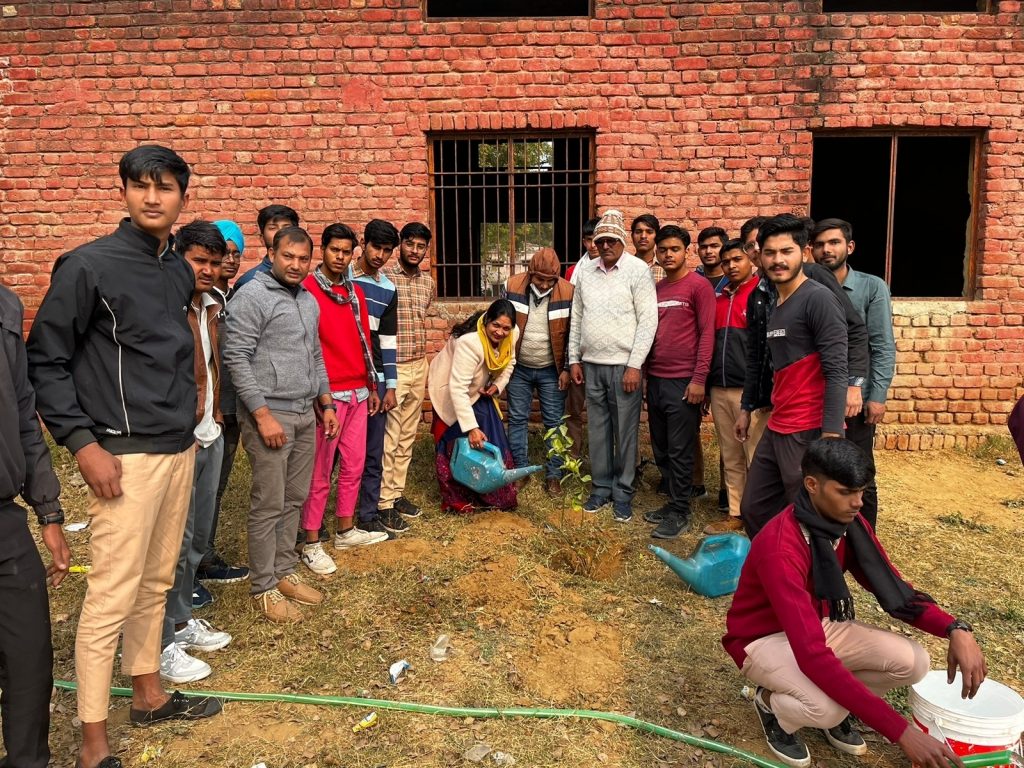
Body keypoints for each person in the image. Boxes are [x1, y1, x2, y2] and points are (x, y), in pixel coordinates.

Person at [27, 145, 221, 768]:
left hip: (177, 448)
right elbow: (45, 359)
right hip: (122, 457)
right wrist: (82, 443)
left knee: (156, 581)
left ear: (183, 198)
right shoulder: (87, 266)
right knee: (111, 594)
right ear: (124, 192)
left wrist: (192, 424)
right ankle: (93, 743)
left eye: (165, 188)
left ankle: (148, 695)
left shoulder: (177, 271)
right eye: (141, 186)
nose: (153, 198)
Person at [724, 438, 986, 768]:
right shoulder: (781, 547)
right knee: (826, 708)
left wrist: (955, 628)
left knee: (914, 661)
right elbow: (812, 655)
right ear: (812, 485)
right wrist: (901, 731)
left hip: (816, 624)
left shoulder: (848, 526)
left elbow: (895, 590)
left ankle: (837, 702)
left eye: (861, 491)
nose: (858, 502)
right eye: (846, 492)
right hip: (762, 639)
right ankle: (772, 707)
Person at [224, 225, 338, 623]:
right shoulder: (252, 295)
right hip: (270, 414)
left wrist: (326, 403)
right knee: (269, 501)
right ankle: (263, 587)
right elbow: (236, 357)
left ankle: (284, 570)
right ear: (271, 254)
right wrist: (262, 415)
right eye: (288, 256)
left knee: (294, 497)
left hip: (305, 412)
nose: (295, 264)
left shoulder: (307, 299)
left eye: (303, 258)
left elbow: (314, 356)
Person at [739, 214, 848, 538]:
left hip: (807, 428)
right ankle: (776, 560)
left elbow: (837, 370)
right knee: (754, 508)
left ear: (805, 252)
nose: (778, 260)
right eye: (770, 252)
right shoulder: (778, 303)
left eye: (786, 251)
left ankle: (814, 569)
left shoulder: (818, 298)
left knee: (808, 516)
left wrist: (830, 436)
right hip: (778, 423)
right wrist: (747, 407)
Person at [160, 220, 233, 684]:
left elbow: (212, 366)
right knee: (170, 543)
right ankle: (160, 640)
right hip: (175, 439)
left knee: (196, 538)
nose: (207, 269)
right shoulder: (165, 306)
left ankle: (182, 620)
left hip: (210, 431)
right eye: (198, 261)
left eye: (214, 262)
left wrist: (216, 419)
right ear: (178, 257)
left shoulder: (213, 305)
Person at [0, 284, 70, 768]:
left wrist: (48, 511)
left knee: (29, 658)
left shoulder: (5, 307)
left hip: (5, 520)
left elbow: (24, 414)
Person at [299, 223, 387, 577]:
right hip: (328, 395)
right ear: (322, 249)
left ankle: (346, 529)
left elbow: (365, 340)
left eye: (346, 251)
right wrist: (320, 399)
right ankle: (311, 541)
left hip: (359, 391)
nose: (340, 257)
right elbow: (308, 347)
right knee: (321, 471)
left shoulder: (355, 293)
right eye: (334, 250)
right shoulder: (307, 291)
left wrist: (372, 385)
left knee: (354, 464)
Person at [568, 209, 658, 521]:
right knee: (598, 430)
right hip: (591, 365)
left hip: (624, 368)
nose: (605, 246)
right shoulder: (586, 272)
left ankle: (623, 492)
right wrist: (573, 358)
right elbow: (577, 318)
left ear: (622, 241)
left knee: (625, 432)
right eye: (600, 241)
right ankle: (601, 488)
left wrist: (635, 365)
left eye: (611, 241)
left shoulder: (637, 271)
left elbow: (648, 320)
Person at [812, 218, 895, 529]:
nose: (826, 250)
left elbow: (881, 345)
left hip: (854, 398)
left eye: (833, 243)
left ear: (849, 247)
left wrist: (876, 396)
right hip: (816, 394)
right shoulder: (808, 285)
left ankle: (865, 538)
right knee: (821, 468)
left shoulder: (871, 287)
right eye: (820, 244)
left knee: (858, 472)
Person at [643, 225, 716, 536]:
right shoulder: (657, 290)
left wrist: (699, 379)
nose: (668, 254)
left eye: (674, 249)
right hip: (656, 379)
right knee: (660, 445)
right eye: (663, 250)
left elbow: (707, 334)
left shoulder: (699, 287)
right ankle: (673, 501)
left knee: (680, 448)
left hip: (684, 381)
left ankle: (681, 510)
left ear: (686, 251)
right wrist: (645, 376)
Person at [195, 219, 250, 600]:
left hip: (230, 409)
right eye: (222, 254)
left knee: (215, 488)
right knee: (197, 493)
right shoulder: (198, 299)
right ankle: (191, 566)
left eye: (235, 254)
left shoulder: (232, 297)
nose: (229, 261)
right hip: (205, 412)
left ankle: (205, 556)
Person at [428, 299, 520, 513]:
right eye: (496, 325)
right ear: (486, 320)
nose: (500, 332)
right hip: (449, 390)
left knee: (491, 438)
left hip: (477, 389)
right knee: (457, 443)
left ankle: (491, 493)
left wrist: (497, 385)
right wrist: (471, 428)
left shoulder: (512, 334)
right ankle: (459, 498)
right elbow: (457, 388)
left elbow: (511, 361)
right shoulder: (469, 343)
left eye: (505, 328)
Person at [704, 239, 765, 534]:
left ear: (750, 260)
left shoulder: (761, 295)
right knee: (730, 455)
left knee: (755, 455)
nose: (730, 266)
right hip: (719, 387)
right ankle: (736, 512)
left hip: (749, 392)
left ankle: (759, 516)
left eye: (736, 259)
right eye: (726, 261)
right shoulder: (719, 300)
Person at [503, 248, 574, 497]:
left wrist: (567, 368)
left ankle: (554, 476)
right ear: (530, 273)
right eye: (539, 279)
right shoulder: (512, 286)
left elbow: (573, 334)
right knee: (517, 419)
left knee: (554, 422)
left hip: (552, 370)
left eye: (549, 280)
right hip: (519, 368)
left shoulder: (568, 291)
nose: (544, 285)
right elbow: (500, 325)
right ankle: (520, 471)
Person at [379, 222, 435, 522]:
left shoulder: (428, 283)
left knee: (408, 435)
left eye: (420, 246)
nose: (414, 251)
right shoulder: (385, 278)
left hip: (418, 364)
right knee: (390, 435)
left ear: (426, 250)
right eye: (410, 244)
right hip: (395, 366)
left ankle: (397, 493)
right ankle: (383, 501)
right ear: (400, 245)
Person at [351, 219, 403, 533]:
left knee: (374, 452)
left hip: (376, 379)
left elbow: (387, 342)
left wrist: (390, 386)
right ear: (363, 243)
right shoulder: (340, 278)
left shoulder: (388, 289)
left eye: (386, 250)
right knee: (331, 455)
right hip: (341, 378)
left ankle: (368, 516)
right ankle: (314, 521)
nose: (380, 255)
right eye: (376, 247)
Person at [565, 216, 601, 458]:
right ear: (583, 241)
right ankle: (573, 458)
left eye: (598, 240)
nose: (594, 245)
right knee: (573, 408)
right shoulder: (572, 272)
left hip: (604, 349)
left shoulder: (618, 271)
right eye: (589, 240)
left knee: (603, 410)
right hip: (578, 347)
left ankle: (603, 460)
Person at [233, 204, 300, 291]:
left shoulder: (303, 279)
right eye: (273, 228)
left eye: (286, 227)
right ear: (262, 238)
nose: (280, 232)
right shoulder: (249, 281)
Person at [695, 225, 730, 295]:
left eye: (714, 246)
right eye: (703, 247)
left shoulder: (734, 279)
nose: (708, 251)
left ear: (724, 249)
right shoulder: (692, 280)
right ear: (698, 251)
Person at [630, 213, 664, 281]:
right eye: (638, 232)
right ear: (632, 236)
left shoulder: (666, 268)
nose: (643, 236)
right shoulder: (624, 267)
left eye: (649, 232)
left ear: (657, 237)